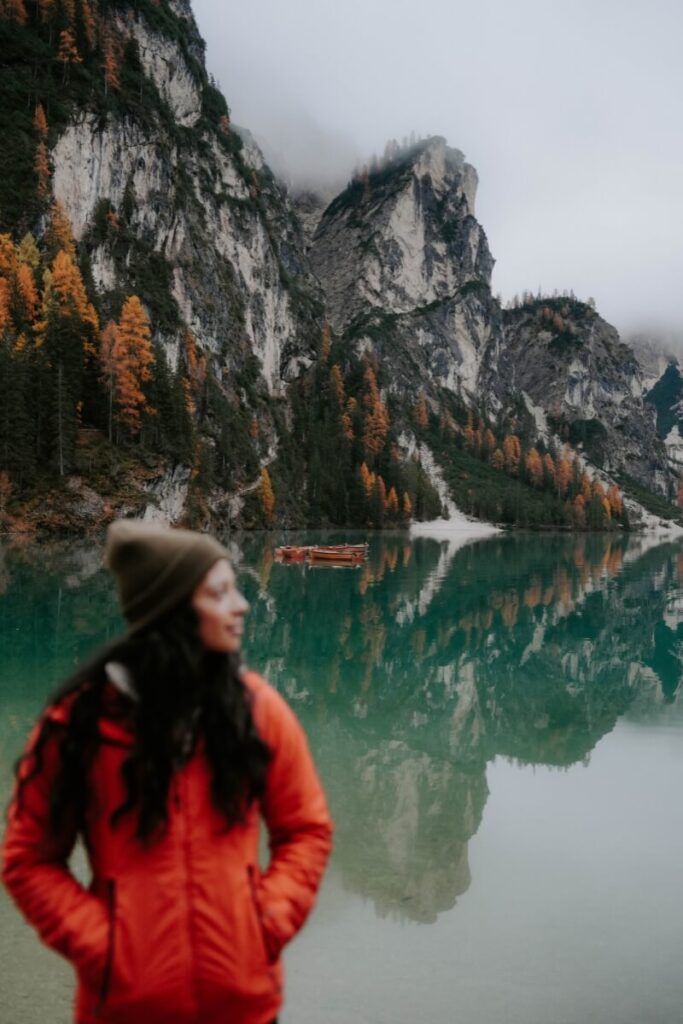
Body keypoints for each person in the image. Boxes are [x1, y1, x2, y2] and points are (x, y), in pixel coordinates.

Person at [2, 520, 333, 1024]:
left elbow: (305, 831)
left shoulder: (259, 711)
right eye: (220, 593)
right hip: (124, 1009)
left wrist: (262, 924)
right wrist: (105, 947)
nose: (240, 605)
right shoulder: (79, 724)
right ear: (172, 611)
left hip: (242, 1006)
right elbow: (29, 860)